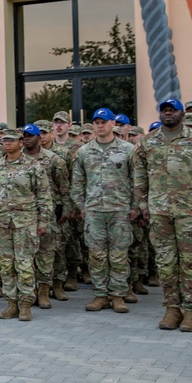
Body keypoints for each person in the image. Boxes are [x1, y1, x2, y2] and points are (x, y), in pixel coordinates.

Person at [133, 98, 192, 332]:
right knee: (166, 263)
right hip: (160, 212)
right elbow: (139, 175)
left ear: (182, 115)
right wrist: (142, 203)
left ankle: (191, 311)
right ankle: (171, 309)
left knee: (191, 262)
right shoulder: (149, 142)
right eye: (164, 110)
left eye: (173, 110)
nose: (168, 114)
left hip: (190, 211)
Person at [71, 108, 137, 313]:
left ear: (112, 124)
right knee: (96, 255)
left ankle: (117, 295)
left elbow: (137, 180)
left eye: (103, 122)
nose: (99, 125)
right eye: (96, 122)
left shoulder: (127, 150)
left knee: (118, 254)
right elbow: (77, 182)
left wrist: (135, 206)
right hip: (94, 212)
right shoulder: (84, 151)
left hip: (119, 210)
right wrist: (81, 206)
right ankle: (100, 295)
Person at [0, 129, 51, 321]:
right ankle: (11, 303)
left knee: (24, 264)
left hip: (25, 222)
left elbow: (44, 196)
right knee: (6, 265)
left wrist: (44, 221)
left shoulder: (33, 166)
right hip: (2, 222)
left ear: (21, 143)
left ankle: (25, 304)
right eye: (4, 140)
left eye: (11, 140)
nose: (7, 143)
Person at [21, 123, 72, 309]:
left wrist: (65, 210)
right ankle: (30, 290)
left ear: (39, 138)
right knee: (26, 254)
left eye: (31, 135)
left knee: (47, 253)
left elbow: (65, 188)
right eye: (24, 136)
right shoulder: (16, 159)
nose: (27, 138)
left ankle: (45, 290)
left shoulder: (53, 160)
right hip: (24, 214)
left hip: (47, 212)